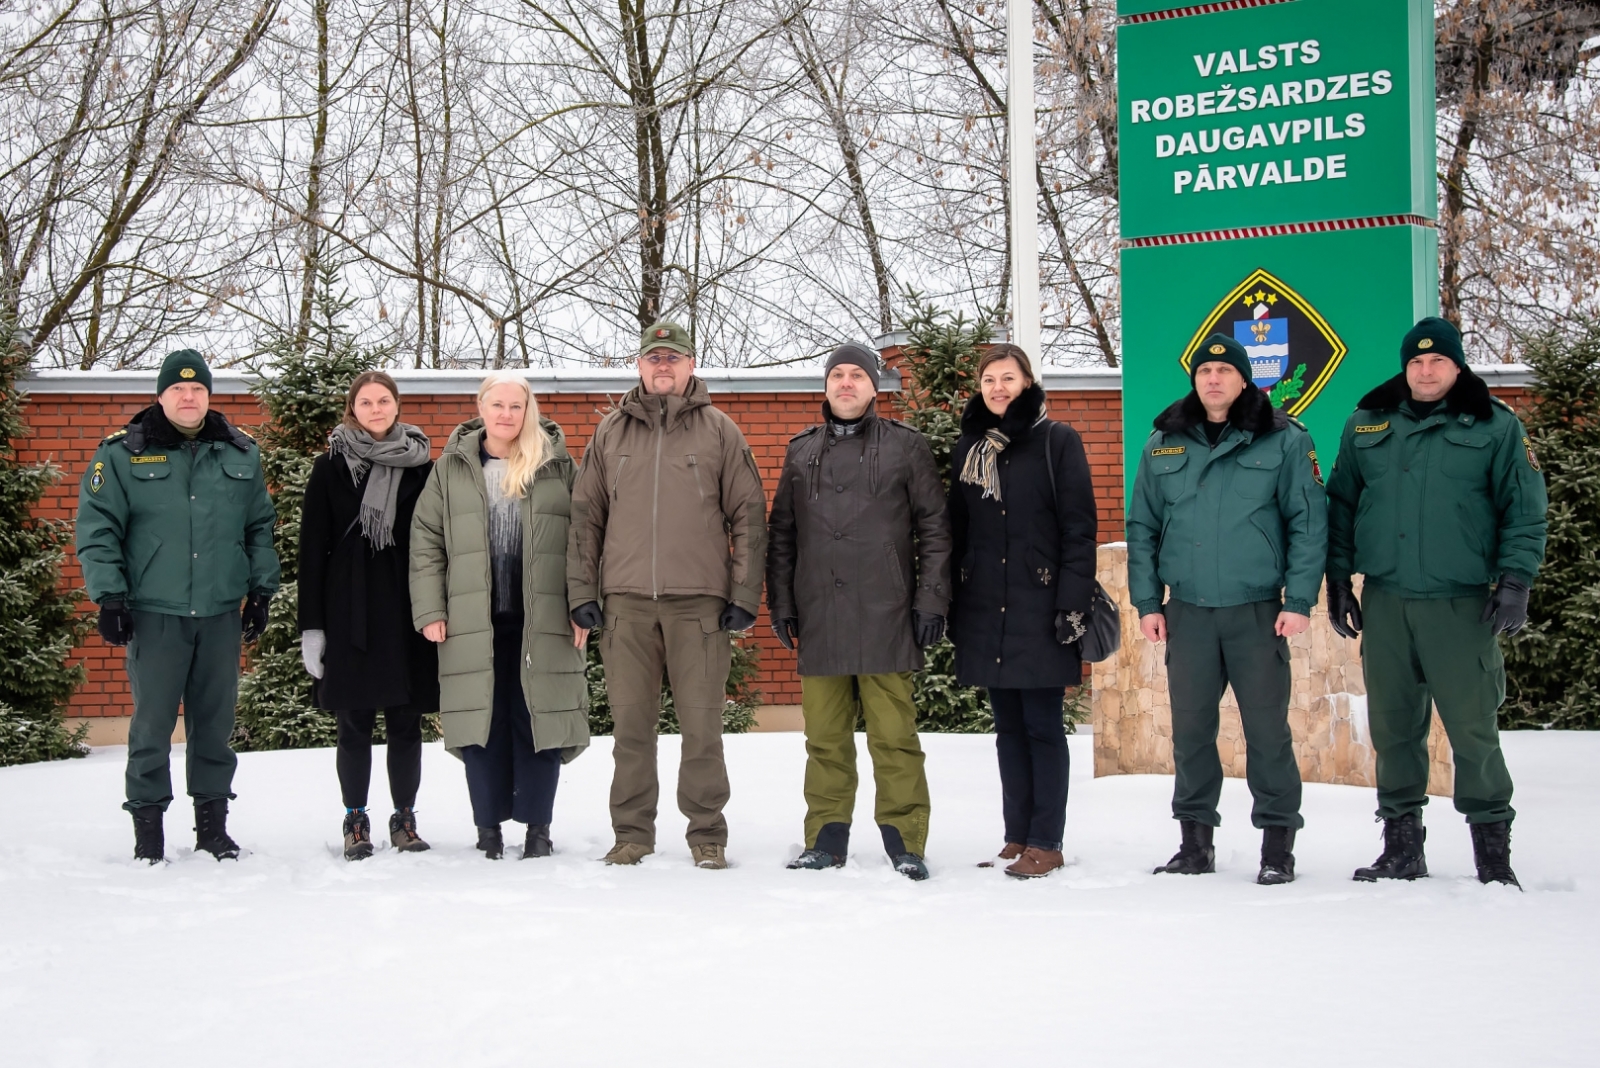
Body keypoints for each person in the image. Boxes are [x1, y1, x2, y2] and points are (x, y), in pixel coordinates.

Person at [1326, 317, 1547, 888]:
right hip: (1387, 600)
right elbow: (1342, 507)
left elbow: (1523, 510)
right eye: (1417, 362)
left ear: (1457, 366)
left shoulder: (1496, 426)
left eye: (1438, 362)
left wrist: (1516, 581)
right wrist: (1338, 580)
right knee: (1394, 727)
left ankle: (1492, 855)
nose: (1426, 371)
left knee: (1473, 729)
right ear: (1406, 367)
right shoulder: (1365, 425)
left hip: (1461, 604)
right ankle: (1402, 848)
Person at [1126, 334, 1327, 885]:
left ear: (1245, 380)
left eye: (1224, 369)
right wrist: (1148, 601)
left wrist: (1300, 600)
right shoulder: (1163, 443)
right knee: (1191, 732)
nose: (1213, 378)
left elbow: (1308, 524)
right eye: (1204, 370)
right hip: (1188, 612)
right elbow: (1141, 527)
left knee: (1267, 732)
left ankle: (1277, 846)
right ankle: (1194, 843)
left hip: (1258, 612)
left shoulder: (1284, 439)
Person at [567, 321, 767, 869]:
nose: (663, 367)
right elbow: (585, 518)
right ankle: (632, 833)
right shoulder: (610, 432)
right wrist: (584, 590)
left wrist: (744, 592)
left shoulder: (720, 430)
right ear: (639, 365)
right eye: (653, 358)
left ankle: (707, 835)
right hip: (625, 605)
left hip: (698, 606)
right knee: (632, 729)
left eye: (672, 359)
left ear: (690, 365)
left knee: (701, 729)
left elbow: (748, 516)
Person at [76, 348, 279, 863]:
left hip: (218, 613)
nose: (188, 397)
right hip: (154, 612)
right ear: (161, 395)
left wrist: (260, 591)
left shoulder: (239, 453)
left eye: (198, 389)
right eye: (177, 389)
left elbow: (258, 527)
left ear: (209, 396)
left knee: (214, 724)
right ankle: (149, 833)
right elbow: (98, 530)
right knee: (152, 726)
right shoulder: (123, 454)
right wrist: (110, 596)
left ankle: (213, 829)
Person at [765, 342, 952, 880]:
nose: (846, 384)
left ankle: (905, 841)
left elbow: (935, 530)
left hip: (886, 611)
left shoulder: (905, 447)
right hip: (820, 611)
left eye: (857, 376)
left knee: (894, 736)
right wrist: (782, 601)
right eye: (837, 375)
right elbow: (783, 533)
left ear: (875, 386)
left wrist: (930, 600)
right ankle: (826, 838)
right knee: (824, 738)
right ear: (825, 386)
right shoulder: (801, 451)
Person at [409, 372, 590, 860]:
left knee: (540, 722)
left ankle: (538, 829)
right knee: (481, 725)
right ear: (481, 407)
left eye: (517, 405)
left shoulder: (556, 466)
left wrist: (582, 605)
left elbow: (583, 542)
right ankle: (487, 828)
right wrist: (430, 608)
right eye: (498, 405)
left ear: (528, 409)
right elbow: (426, 541)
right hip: (473, 622)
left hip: (543, 620)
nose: (507, 414)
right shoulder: (451, 467)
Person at [948, 343, 1097, 879]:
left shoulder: (1058, 441)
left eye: (1007, 378)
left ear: (1027, 381)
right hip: (986, 607)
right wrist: (950, 599)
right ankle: (1016, 834)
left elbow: (1079, 529)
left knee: (1042, 726)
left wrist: (1071, 602)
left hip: (1041, 606)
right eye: (988, 379)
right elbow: (956, 530)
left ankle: (1047, 840)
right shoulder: (971, 447)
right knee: (1007, 728)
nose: (997, 388)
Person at [299, 372, 438, 861]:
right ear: (351, 408)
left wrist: (438, 610)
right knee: (353, 722)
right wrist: (312, 628)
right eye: (365, 401)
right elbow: (311, 551)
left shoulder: (423, 466)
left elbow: (439, 543)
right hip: (349, 611)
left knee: (406, 720)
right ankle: (356, 818)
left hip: (406, 608)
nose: (375, 408)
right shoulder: (330, 466)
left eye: (384, 400)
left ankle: (404, 817)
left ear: (397, 406)